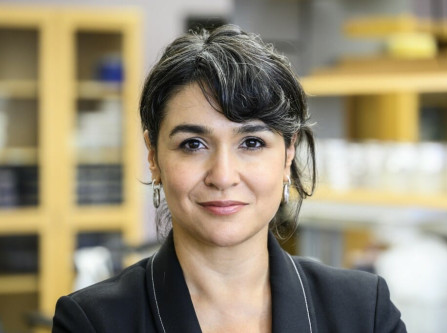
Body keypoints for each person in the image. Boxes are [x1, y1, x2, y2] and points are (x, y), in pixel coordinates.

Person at [52, 24, 406, 332]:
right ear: (153, 155)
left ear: (288, 155)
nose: (222, 176)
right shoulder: (92, 321)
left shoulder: (365, 311)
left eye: (251, 143)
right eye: (193, 144)